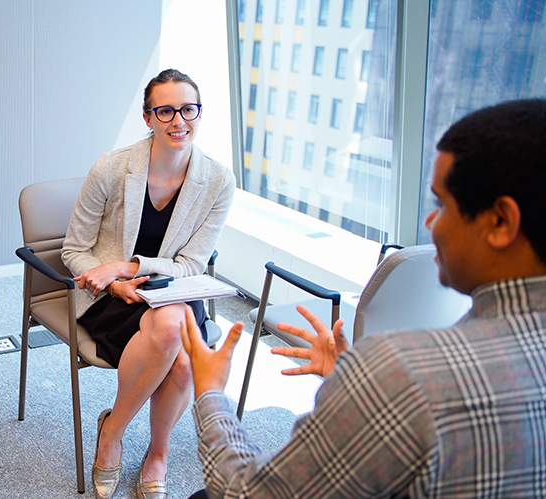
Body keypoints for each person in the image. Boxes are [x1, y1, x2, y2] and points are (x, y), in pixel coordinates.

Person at [181, 98, 546, 498]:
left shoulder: (405, 373)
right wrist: (356, 387)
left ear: (500, 221)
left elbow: (245, 492)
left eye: (441, 204)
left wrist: (210, 391)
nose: (430, 222)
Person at [61, 68, 235, 499]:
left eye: (188, 109)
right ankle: (135, 443)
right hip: (112, 298)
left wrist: (128, 266)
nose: (179, 121)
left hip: (172, 290)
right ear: (148, 117)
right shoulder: (112, 168)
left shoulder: (217, 180)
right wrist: (116, 281)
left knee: (173, 325)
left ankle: (133, 440)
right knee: (178, 341)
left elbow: (193, 264)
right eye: (165, 111)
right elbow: (74, 251)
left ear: (199, 112)